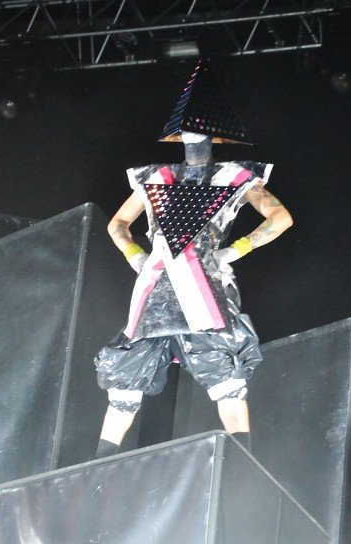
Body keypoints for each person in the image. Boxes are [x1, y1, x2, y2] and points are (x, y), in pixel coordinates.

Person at [94, 61, 293, 458]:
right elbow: (117, 224)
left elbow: (281, 218)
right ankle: (97, 467)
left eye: (200, 130)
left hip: (204, 286)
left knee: (226, 378)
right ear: (177, 134)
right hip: (156, 288)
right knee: (126, 381)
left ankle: (243, 464)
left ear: (216, 134)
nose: (193, 137)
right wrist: (136, 256)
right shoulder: (156, 177)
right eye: (187, 130)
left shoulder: (235, 176)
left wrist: (234, 250)